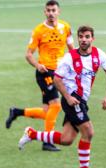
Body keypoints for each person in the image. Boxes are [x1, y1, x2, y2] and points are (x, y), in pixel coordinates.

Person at [18, 26, 106, 168]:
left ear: (92, 39)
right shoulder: (69, 57)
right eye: (81, 36)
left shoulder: (99, 55)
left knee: (66, 139)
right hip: (72, 99)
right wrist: (68, 98)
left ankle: (32, 134)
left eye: (87, 36)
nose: (84, 39)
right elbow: (57, 79)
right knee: (88, 132)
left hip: (82, 100)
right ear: (78, 38)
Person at [6, 0, 74, 151]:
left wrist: (77, 64)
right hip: (45, 72)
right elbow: (28, 54)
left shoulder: (66, 27)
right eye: (48, 10)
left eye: (53, 10)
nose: (51, 13)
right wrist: (38, 65)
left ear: (59, 12)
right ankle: (47, 142)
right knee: (56, 106)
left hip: (60, 72)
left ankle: (17, 112)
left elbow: (71, 49)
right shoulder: (38, 31)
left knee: (46, 112)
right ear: (44, 12)